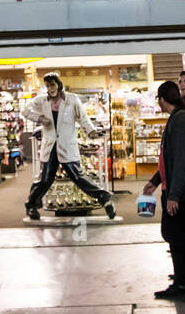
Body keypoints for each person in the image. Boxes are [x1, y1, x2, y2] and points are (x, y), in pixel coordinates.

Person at [142, 81, 185, 299]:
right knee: (179, 233)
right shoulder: (180, 117)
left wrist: (173, 195)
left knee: (170, 232)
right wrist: (156, 181)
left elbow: (181, 160)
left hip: (179, 189)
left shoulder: (180, 120)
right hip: (176, 186)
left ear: (162, 99)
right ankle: (182, 281)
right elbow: (169, 158)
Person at [23, 73, 116, 220]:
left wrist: (90, 131)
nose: (50, 88)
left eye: (52, 85)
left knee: (78, 177)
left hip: (67, 146)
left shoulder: (72, 99)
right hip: (50, 147)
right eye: (47, 86)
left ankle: (104, 198)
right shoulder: (42, 100)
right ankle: (31, 205)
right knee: (45, 178)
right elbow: (26, 111)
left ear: (59, 85)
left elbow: (82, 117)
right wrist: (40, 118)